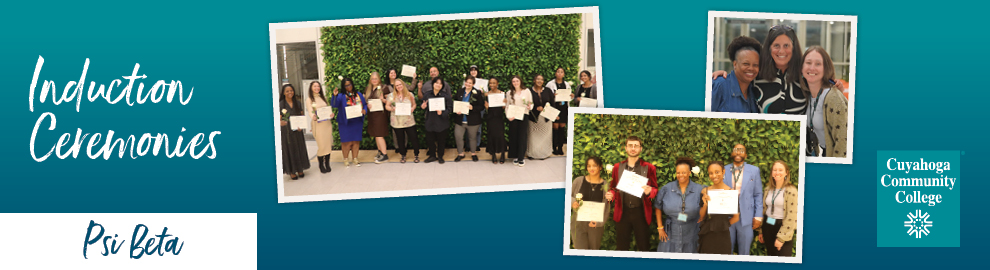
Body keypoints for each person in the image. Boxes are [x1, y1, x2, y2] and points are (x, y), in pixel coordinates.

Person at [713, 25, 807, 114]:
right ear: (769, 48)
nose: (781, 51)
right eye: (776, 45)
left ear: (794, 48)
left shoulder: (805, 76)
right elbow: (739, 79)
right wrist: (720, 77)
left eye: (786, 45)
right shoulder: (757, 75)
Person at [605, 136, 658, 251]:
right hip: (622, 212)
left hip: (641, 212)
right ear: (626, 148)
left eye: (636, 146)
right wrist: (611, 194)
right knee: (622, 247)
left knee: (644, 246)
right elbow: (613, 187)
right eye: (630, 146)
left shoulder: (649, 168)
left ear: (640, 149)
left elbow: (655, 188)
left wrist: (650, 191)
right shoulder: (618, 167)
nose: (633, 148)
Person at [801, 46, 848, 157]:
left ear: (826, 69)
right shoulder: (805, 94)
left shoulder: (833, 98)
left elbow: (843, 143)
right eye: (808, 63)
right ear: (801, 68)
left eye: (818, 64)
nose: (812, 68)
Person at [654, 157, 705, 253]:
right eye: (678, 172)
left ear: (689, 173)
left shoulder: (700, 189)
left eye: (684, 172)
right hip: (670, 232)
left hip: (691, 231)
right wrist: (660, 227)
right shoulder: (667, 189)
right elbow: (658, 206)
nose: (680, 175)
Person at [723, 144, 763, 255]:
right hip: (728, 217)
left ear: (745, 154)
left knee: (745, 251)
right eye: (736, 150)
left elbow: (758, 194)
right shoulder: (723, 169)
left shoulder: (754, 170)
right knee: (726, 250)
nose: (738, 152)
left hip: (747, 217)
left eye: (741, 150)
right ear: (732, 153)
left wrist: (758, 216)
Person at [757, 160, 798, 257]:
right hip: (768, 226)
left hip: (783, 228)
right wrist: (761, 231)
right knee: (771, 256)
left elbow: (792, 216)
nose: (777, 172)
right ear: (771, 173)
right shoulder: (768, 189)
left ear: (786, 173)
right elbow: (764, 210)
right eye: (775, 170)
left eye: (780, 170)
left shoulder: (791, 190)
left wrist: (781, 238)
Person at [711, 36, 761, 113]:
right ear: (735, 64)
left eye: (755, 65)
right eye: (746, 64)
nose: (751, 68)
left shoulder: (755, 90)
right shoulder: (719, 85)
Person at [570, 156, 610, 250]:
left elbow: (607, 208)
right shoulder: (578, 181)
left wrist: (600, 223)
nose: (591, 168)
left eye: (594, 166)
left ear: (600, 167)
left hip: (595, 224)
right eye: (589, 166)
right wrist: (572, 202)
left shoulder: (606, 185)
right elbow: (568, 196)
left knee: (594, 250)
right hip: (578, 223)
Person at [698, 161, 736, 254]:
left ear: (723, 172)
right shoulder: (705, 191)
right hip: (707, 234)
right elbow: (701, 217)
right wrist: (705, 204)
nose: (714, 175)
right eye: (711, 173)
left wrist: (723, 225)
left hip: (723, 235)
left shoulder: (730, 192)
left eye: (717, 172)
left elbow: (736, 217)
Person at [331, 77, 368, 167]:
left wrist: (364, 110)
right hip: (345, 122)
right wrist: (334, 96)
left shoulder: (358, 94)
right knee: (346, 142)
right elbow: (334, 105)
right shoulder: (340, 96)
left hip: (357, 121)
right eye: (346, 85)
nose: (348, 87)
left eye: (350, 84)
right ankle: (345, 159)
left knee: (356, 141)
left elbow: (365, 105)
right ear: (343, 86)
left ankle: (355, 158)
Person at [384, 78, 421, 163]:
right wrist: (392, 109)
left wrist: (412, 108)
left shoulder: (409, 94)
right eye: (397, 85)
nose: (399, 86)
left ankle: (416, 155)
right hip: (397, 122)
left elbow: (414, 104)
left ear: (403, 85)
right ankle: (403, 155)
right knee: (400, 139)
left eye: (400, 84)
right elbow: (387, 106)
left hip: (409, 121)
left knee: (414, 138)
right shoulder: (391, 96)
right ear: (395, 87)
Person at [279, 84, 310, 180]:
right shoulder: (280, 104)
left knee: (299, 148)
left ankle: (300, 169)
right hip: (287, 131)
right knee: (290, 149)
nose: (290, 92)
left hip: (297, 130)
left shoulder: (298, 102)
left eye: (291, 90)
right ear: (283, 93)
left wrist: (302, 125)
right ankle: (292, 171)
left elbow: (301, 116)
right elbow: (278, 118)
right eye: (287, 91)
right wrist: (280, 122)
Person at [452, 76, 485, 162]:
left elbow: (481, 106)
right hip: (460, 120)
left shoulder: (477, 93)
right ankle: (460, 154)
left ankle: (473, 153)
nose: (468, 84)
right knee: (458, 136)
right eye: (466, 82)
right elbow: (455, 103)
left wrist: (472, 108)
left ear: (473, 84)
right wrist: (456, 110)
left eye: (470, 83)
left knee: (472, 137)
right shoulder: (460, 91)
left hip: (473, 121)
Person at [421, 77, 452, 164]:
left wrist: (442, 112)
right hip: (430, 121)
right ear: (433, 84)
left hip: (442, 122)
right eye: (436, 83)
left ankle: (440, 156)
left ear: (442, 85)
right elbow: (423, 104)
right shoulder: (427, 94)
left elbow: (450, 108)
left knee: (441, 141)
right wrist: (423, 106)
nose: (438, 85)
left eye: (440, 83)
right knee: (430, 140)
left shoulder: (446, 96)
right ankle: (432, 156)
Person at [506, 76, 533, 166]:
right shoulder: (509, 93)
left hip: (524, 115)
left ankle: (521, 157)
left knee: (522, 136)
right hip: (513, 117)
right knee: (514, 137)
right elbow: (507, 106)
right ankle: (515, 156)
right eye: (513, 81)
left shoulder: (527, 91)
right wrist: (508, 116)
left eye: (517, 81)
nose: (515, 83)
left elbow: (531, 103)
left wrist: (530, 107)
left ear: (520, 81)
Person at [307, 81, 334, 174]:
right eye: (314, 86)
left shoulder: (323, 98)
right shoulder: (309, 99)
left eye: (318, 86)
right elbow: (310, 111)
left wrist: (331, 114)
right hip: (317, 124)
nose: (317, 88)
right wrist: (312, 116)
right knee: (322, 145)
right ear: (311, 87)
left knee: (328, 144)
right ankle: (321, 164)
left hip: (326, 124)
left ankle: (327, 163)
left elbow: (327, 109)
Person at [365, 71, 390, 164]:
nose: (374, 80)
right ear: (370, 80)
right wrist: (367, 105)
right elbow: (365, 101)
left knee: (379, 134)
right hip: (371, 115)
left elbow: (389, 101)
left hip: (380, 115)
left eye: (376, 78)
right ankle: (380, 152)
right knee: (376, 134)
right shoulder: (368, 89)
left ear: (379, 79)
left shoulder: (384, 88)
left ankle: (385, 155)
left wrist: (382, 99)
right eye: (372, 79)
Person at [527, 74, 555, 160]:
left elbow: (552, 104)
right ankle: (532, 154)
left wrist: (545, 109)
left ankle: (543, 154)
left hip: (545, 118)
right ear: (534, 80)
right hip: (533, 118)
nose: (540, 81)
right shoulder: (529, 91)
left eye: (542, 79)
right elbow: (526, 104)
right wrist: (536, 108)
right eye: (538, 79)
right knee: (532, 138)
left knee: (545, 137)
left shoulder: (548, 90)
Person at [546, 67, 571, 156]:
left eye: (562, 72)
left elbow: (569, 97)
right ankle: (553, 148)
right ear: (555, 73)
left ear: (564, 74)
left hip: (564, 108)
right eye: (558, 72)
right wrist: (552, 95)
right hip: (554, 107)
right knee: (555, 128)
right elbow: (546, 95)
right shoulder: (550, 84)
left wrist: (571, 96)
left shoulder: (567, 84)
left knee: (561, 128)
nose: (560, 73)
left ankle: (560, 148)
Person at [485, 78, 508, 164]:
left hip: (499, 117)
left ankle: (502, 154)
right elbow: (487, 107)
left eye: (494, 83)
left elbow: (503, 107)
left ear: (497, 83)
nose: (492, 85)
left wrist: (504, 104)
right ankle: (493, 154)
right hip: (491, 118)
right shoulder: (487, 94)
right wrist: (486, 107)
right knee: (491, 135)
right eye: (490, 83)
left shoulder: (502, 94)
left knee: (500, 136)